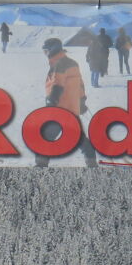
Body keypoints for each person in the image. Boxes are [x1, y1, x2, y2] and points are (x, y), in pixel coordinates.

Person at [38, 37, 98, 168]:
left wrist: (52, 100)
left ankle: (40, 164)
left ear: (53, 50)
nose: (45, 54)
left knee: (45, 136)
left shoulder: (60, 64)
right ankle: (91, 159)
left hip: (60, 108)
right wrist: (81, 101)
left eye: (46, 51)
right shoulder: (71, 62)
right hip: (71, 107)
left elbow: (57, 84)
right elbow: (80, 84)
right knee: (77, 136)